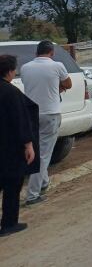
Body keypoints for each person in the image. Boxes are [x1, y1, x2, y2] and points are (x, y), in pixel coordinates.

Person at [21, 40, 71, 206]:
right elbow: (68, 84)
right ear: (52, 52)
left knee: (36, 150)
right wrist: (56, 86)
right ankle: (33, 194)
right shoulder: (57, 66)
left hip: (31, 115)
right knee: (43, 156)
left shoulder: (25, 68)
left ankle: (43, 183)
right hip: (50, 113)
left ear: (37, 52)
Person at [0, 55, 37, 237]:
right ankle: (9, 223)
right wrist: (28, 144)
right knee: (12, 184)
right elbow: (21, 120)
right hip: (10, 147)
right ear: (9, 71)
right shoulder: (11, 92)